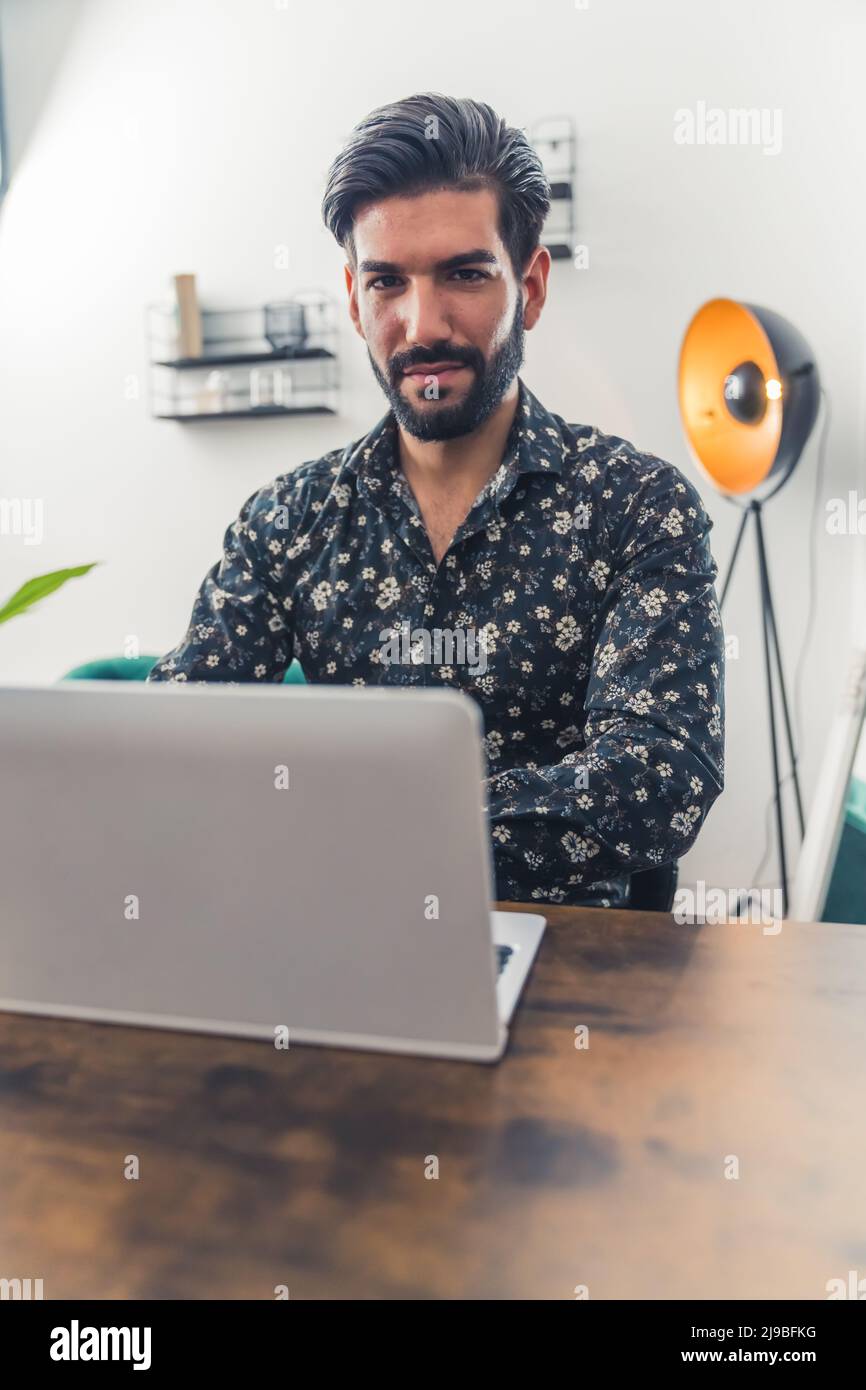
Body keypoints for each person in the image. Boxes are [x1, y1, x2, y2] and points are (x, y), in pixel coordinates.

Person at [148, 92, 725, 908]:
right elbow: (172, 745)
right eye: (388, 282)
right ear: (354, 300)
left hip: (580, 972)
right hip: (338, 944)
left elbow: (657, 782)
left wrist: (357, 835)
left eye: (463, 274)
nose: (423, 324)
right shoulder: (286, 523)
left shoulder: (637, 508)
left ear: (529, 286)